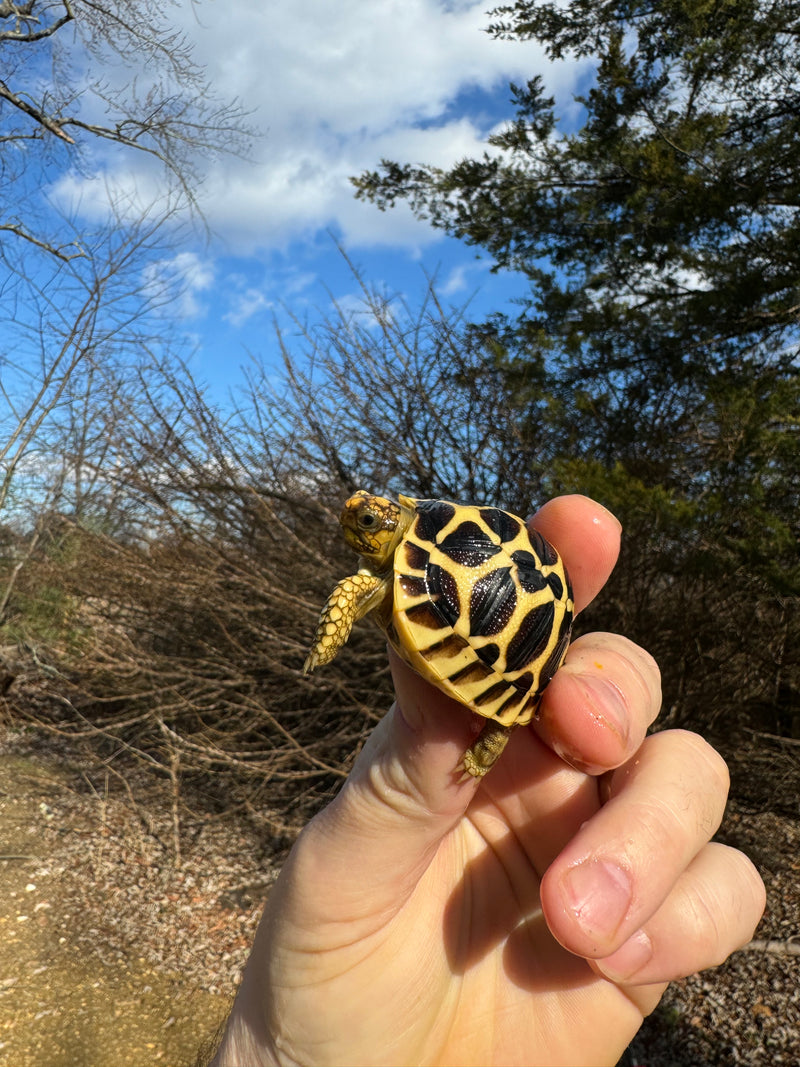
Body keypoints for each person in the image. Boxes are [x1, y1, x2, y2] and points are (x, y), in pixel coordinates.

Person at [208, 495, 765, 1067]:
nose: (358, 525)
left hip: (513, 667)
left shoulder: (389, 575)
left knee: (517, 717)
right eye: (359, 520)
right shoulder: (406, 557)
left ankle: (499, 734)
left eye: (371, 520)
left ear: (392, 525)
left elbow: (361, 596)